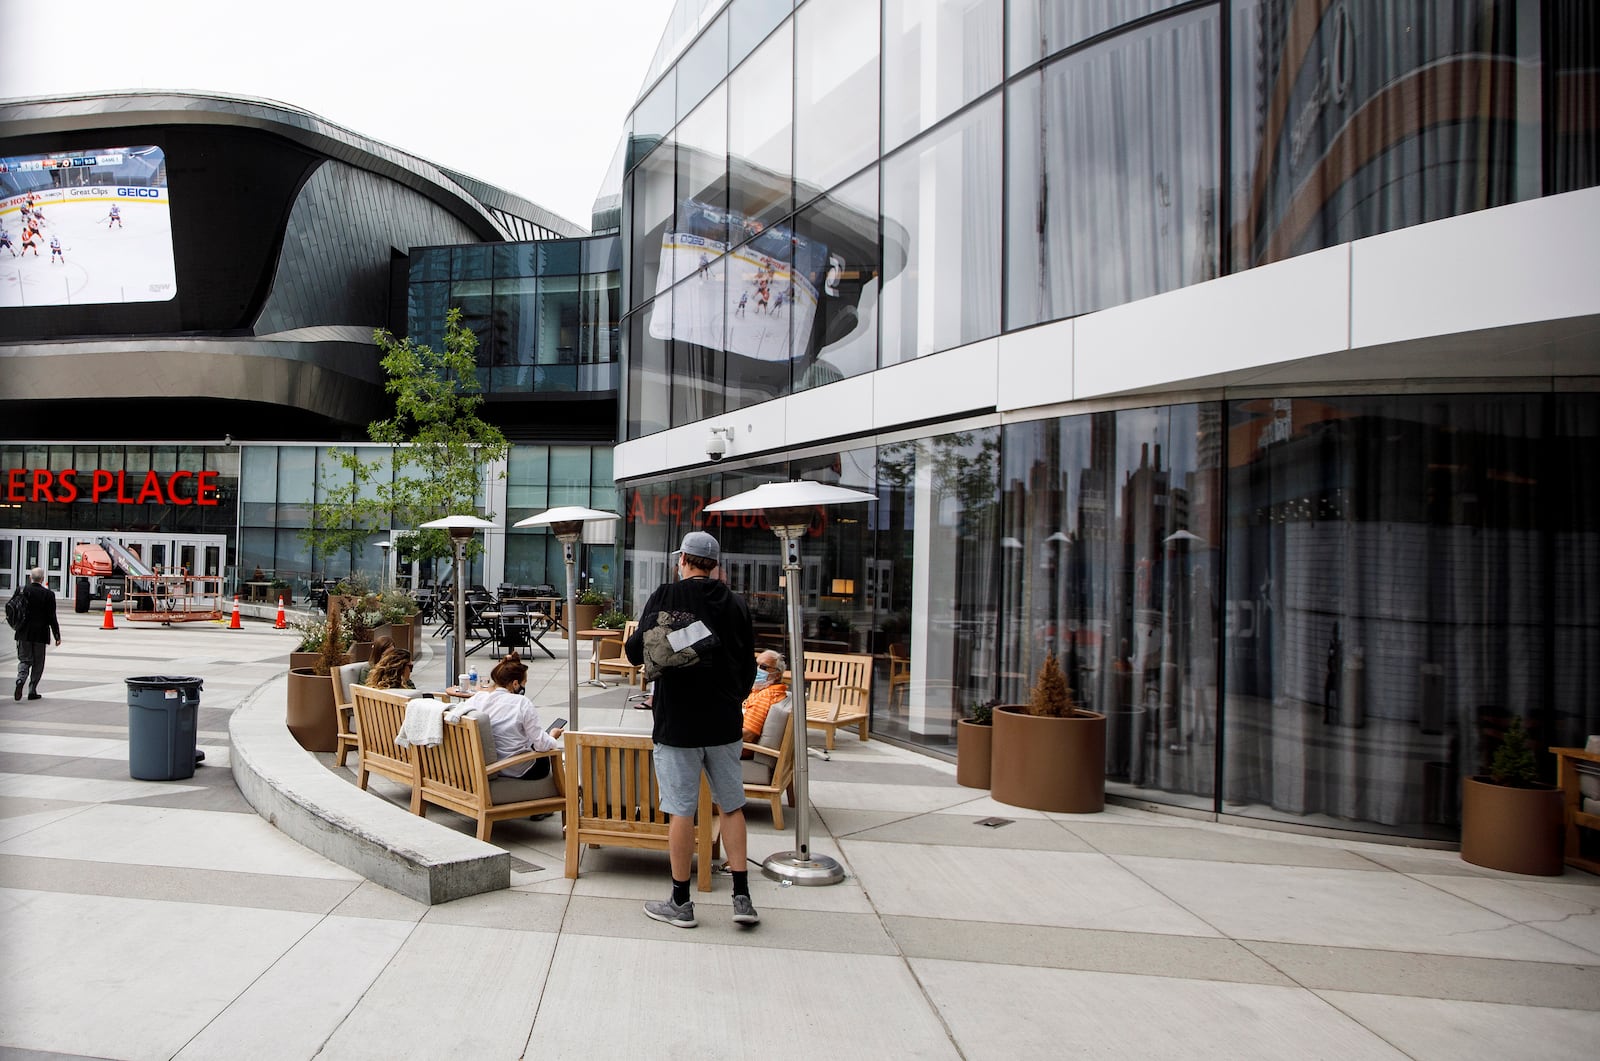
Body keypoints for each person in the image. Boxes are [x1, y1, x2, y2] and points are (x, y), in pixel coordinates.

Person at [625, 530, 758, 928]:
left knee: (681, 812)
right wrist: (733, 696)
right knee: (731, 806)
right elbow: (748, 665)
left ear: (682, 559)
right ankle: (742, 898)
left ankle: (681, 903)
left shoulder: (666, 595)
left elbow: (635, 653)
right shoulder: (736, 603)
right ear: (715, 565)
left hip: (677, 722)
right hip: (724, 721)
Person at [461, 652, 563, 780]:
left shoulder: (478, 698)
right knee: (545, 753)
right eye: (524, 683)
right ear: (515, 684)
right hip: (516, 768)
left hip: (483, 764)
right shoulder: (522, 703)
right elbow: (541, 745)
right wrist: (553, 736)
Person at [14, 568, 61, 701]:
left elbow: (13, 609)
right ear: (42, 579)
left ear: (30, 578)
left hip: (23, 632)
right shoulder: (49, 594)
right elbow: (52, 617)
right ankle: (32, 690)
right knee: (38, 662)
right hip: (40, 633)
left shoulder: (21, 590)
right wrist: (57, 635)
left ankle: (20, 679)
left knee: (24, 659)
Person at [741, 650, 788, 750]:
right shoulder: (764, 691)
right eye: (755, 665)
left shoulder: (765, 696)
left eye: (763, 667)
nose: (757, 670)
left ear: (777, 675)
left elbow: (748, 734)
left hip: (737, 748)